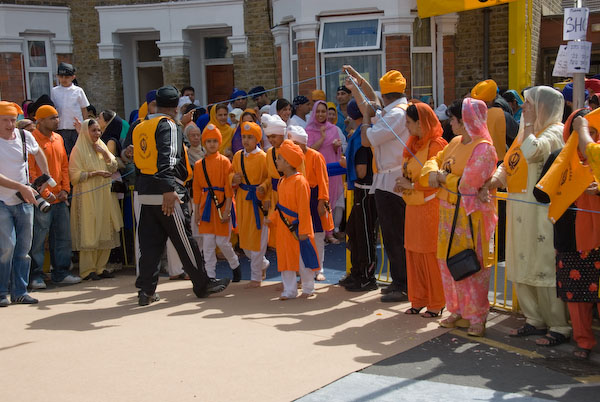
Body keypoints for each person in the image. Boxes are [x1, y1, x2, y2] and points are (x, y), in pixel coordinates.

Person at [484, 86, 570, 345]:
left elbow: (534, 152)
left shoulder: (556, 132)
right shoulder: (525, 132)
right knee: (521, 263)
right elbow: (510, 162)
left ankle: (559, 325)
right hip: (518, 208)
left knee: (542, 266)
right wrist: (495, 179)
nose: (525, 109)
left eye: (531, 104)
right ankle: (534, 319)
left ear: (545, 107)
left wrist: (530, 126)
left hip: (541, 213)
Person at [132, 86, 230, 306]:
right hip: (168, 192)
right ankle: (203, 283)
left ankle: (145, 290)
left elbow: (137, 157)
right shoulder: (167, 125)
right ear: (175, 107)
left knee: (149, 245)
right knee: (185, 241)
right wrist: (169, 188)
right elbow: (169, 157)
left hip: (145, 191)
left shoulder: (141, 125)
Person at [422, 98, 498, 336]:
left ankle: (477, 316)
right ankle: (455, 309)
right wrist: (435, 172)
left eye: (453, 119)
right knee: (447, 263)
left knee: (471, 265)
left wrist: (442, 178)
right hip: (447, 214)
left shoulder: (484, 148)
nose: (450, 123)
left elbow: (469, 184)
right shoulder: (454, 142)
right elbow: (432, 162)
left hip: (471, 217)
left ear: (465, 122)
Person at [343, 65, 410, 303]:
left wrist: (366, 117)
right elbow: (369, 103)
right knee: (391, 236)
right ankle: (399, 281)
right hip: (386, 180)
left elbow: (366, 136)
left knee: (395, 236)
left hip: (392, 181)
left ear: (387, 95)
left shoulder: (396, 115)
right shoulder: (397, 109)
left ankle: (403, 284)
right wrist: (359, 84)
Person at [543, 109, 600, 359]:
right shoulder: (559, 157)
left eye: (593, 131)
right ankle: (584, 342)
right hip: (569, 237)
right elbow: (540, 193)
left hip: (597, 238)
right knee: (577, 299)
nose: (588, 136)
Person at [394, 103, 447, 317]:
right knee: (414, 254)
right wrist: (403, 182)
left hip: (430, 208)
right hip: (413, 208)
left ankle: (437, 302)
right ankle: (418, 299)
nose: (406, 126)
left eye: (408, 122)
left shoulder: (437, 145)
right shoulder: (412, 144)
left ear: (420, 122)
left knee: (430, 256)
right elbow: (411, 173)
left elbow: (436, 179)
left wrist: (412, 185)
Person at [0, 101, 52, 306]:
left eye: (13, 120)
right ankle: (2, 291)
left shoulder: (24, 136)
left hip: (24, 201)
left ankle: (20, 291)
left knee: (23, 248)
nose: (10, 124)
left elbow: (39, 153)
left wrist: (45, 176)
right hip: (2, 201)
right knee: (6, 247)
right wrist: (20, 187)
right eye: (5, 120)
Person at [28, 105, 81, 289]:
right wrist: (45, 193)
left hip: (60, 197)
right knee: (38, 239)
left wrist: (66, 189)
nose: (57, 121)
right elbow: (31, 170)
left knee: (63, 238)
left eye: (57, 117)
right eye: (52, 118)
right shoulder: (31, 139)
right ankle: (35, 276)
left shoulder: (58, 138)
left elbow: (65, 165)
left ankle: (61, 273)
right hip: (42, 199)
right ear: (39, 120)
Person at [69, 119, 122, 281]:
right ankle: (87, 270)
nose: (97, 134)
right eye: (93, 130)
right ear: (85, 131)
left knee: (104, 227)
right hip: (87, 196)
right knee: (89, 229)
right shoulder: (78, 150)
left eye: (99, 130)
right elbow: (74, 176)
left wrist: (105, 153)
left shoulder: (102, 146)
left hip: (104, 194)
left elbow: (113, 166)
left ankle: (101, 267)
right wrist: (95, 173)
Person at [340, 99, 378, 292]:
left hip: (365, 190)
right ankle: (356, 272)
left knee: (364, 234)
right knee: (354, 232)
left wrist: (346, 164)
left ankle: (367, 275)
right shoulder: (360, 134)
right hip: (360, 189)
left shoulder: (362, 136)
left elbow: (362, 171)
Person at [274, 140, 320, 300]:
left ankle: (308, 287)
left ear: (287, 162)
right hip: (283, 227)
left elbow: (304, 208)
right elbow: (279, 205)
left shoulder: (300, 182)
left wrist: (305, 230)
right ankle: (289, 290)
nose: (276, 161)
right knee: (285, 257)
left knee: (302, 259)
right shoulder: (281, 181)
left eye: (279, 158)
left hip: (298, 227)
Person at [193, 124, 240, 281]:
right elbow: (197, 190)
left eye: (214, 141)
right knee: (208, 245)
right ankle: (210, 276)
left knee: (223, 241)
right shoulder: (199, 165)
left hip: (221, 207)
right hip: (206, 208)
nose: (211, 144)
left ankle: (235, 264)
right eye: (208, 141)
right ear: (204, 143)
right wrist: (196, 213)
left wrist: (227, 209)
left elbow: (228, 189)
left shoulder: (225, 162)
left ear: (219, 142)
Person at [287, 125, 334, 282]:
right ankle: (304, 268)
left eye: (296, 144)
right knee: (301, 234)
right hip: (299, 197)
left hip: (314, 197)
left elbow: (323, 180)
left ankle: (319, 268)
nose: (294, 147)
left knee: (319, 235)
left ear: (302, 143)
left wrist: (322, 200)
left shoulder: (315, 156)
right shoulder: (292, 159)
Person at [231, 121, 270, 288]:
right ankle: (262, 264)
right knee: (245, 240)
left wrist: (263, 187)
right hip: (242, 200)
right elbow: (231, 173)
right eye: (243, 137)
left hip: (258, 202)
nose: (246, 141)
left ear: (257, 139)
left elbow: (270, 177)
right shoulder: (238, 156)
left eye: (250, 137)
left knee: (257, 240)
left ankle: (256, 277)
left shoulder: (263, 157)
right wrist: (232, 179)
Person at [306, 100, 344, 243]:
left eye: (323, 111)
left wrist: (336, 146)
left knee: (330, 200)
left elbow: (337, 151)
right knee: (318, 200)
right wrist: (322, 138)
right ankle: (319, 232)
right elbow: (309, 151)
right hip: (316, 171)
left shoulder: (333, 129)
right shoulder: (308, 131)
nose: (321, 114)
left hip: (331, 170)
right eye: (318, 111)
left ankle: (329, 232)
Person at [258, 113, 287, 249]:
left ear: (282, 135)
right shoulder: (269, 153)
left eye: (273, 136)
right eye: (268, 137)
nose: (271, 140)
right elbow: (270, 177)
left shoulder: (291, 149)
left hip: (288, 196)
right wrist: (266, 191)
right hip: (275, 196)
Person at [471, 79, 519, 159]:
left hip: (475, 161)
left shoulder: (469, 116)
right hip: (498, 160)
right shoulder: (502, 115)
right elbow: (516, 135)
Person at [50, 62, 89, 156]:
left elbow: (84, 109)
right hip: (61, 127)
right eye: (61, 77)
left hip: (76, 128)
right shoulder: (54, 91)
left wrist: (85, 126)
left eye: (67, 77)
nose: (64, 79)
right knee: (63, 153)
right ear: (57, 76)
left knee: (78, 153)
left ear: (73, 77)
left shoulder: (78, 91)